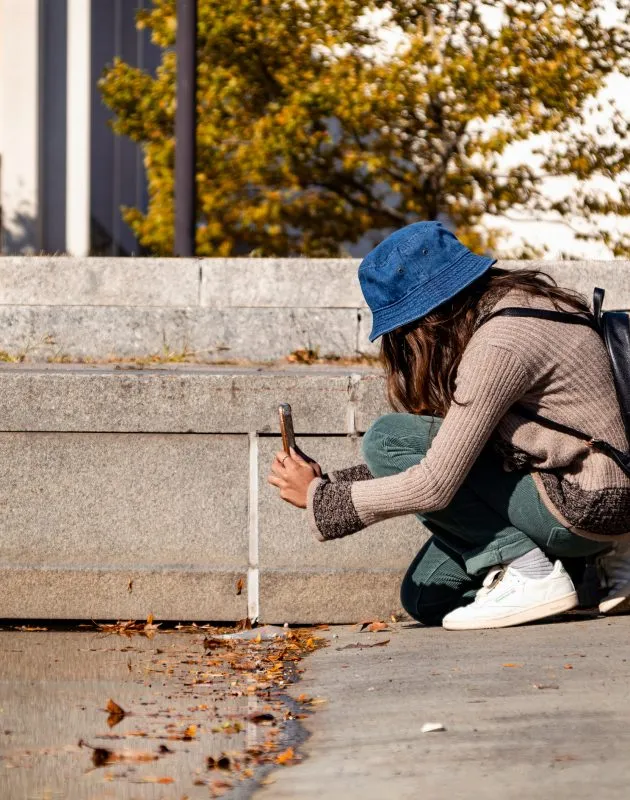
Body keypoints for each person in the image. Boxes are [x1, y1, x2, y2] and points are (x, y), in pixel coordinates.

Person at [267, 222, 630, 630]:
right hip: (593, 496)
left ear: (426, 320)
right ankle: (578, 575)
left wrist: (322, 501)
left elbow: (435, 483)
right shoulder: (527, 303)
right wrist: (328, 484)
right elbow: (461, 451)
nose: (403, 347)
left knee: (387, 438)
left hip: (580, 504)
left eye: (401, 333)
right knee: (425, 597)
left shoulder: (499, 345)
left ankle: (531, 573)